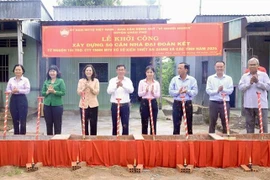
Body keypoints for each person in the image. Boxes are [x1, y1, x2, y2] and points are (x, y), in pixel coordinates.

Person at [239, 57, 270, 133]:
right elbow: (240, 88)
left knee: (263, 127)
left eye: (254, 65)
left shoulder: (263, 75)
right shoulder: (245, 76)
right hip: (249, 105)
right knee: (249, 127)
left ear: (258, 65)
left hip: (261, 105)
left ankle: (263, 143)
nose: (252, 66)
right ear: (248, 66)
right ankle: (250, 143)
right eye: (250, 65)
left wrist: (258, 82)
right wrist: (249, 83)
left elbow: (268, 87)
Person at [169, 62, 198, 135]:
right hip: (177, 103)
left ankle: (189, 140)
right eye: (178, 68)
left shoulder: (192, 80)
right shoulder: (174, 79)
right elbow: (170, 92)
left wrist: (187, 91)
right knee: (176, 123)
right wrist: (178, 92)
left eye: (180, 68)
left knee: (189, 123)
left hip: (187, 102)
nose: (178, 70)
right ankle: (176, 140)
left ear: (186, 69)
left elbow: (195, 92)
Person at [206, 61, 234, 134]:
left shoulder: (228, 78)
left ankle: (225, 138)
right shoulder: (210, 78)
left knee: (225, 122)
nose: (219, 68)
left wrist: (223, 90)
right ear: (215, 67)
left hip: (225, 102)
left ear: (224, 67)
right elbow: (208, 91)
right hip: (213, 102)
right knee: (212, 121)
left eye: (221, 67)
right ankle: (211, 138)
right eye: (218, 67)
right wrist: (217, 91)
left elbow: (231, 90)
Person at [107, 65, 134, 135]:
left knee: (125, 124)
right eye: (119, 70)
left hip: (125, 105)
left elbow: (131, 90)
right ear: (116, 71)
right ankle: (115, 141)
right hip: (115, 105)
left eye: (122, 70)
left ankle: (125, 141)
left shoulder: (128, 80)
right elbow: (109, 91)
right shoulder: (112, 80)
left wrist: (122, 85)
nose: (120, 71)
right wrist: (116, 86)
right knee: (115, 124)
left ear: (125, 71)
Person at [6, 64, 30, 135]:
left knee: (22, 118)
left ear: (22, 71)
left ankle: (22, 135)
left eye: (19, 70)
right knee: (14, 118)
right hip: (13, 98)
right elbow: (7, 90)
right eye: (16, 70)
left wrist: (18, 90)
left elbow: (27, 90)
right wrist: (12, 91)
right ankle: (16, 134)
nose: (18, 71)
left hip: (22, 98)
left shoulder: (25, 80)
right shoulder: (11, 80)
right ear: (14, 71)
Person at [41, 65, 66, 135]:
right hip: (47, 105)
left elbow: (63, 92)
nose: (52, 73)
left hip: (57, 105)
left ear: (57, 72)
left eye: (54, 71)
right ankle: (49, 139)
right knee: (48, 123)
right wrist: (47, 92)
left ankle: (57, 140)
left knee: (57, 123)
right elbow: (43, 93)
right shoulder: (46, 81)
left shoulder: (60, 81)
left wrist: (54, 92)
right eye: (50, 71)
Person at [77, 64, 100, 135]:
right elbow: (78, 92)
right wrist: (84, 87)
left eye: (90, 70)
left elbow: (96, 92)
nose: (88, 72)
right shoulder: (81, 81)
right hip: (83, 105)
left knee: (93, 123)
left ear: (92, 72)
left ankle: (93, 138)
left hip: (93, 104)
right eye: (87, 70)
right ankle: (85, 138)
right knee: (84, 123)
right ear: (84, 72)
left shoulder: (96, 81)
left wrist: (90, 87)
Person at [138, 66, 160, 135]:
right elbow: (139, 94)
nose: (149, 74)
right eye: (148, 72)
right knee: (144, 122)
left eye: (151, 72)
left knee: (153, 122)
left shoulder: (156, 83)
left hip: (153, 102)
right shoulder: (142, 82)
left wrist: (153, 93)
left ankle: (153, 138)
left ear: (153, 73)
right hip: (144, 102)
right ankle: (144, 138)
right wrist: (145, 91)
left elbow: (158, 95)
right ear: (145, 73)